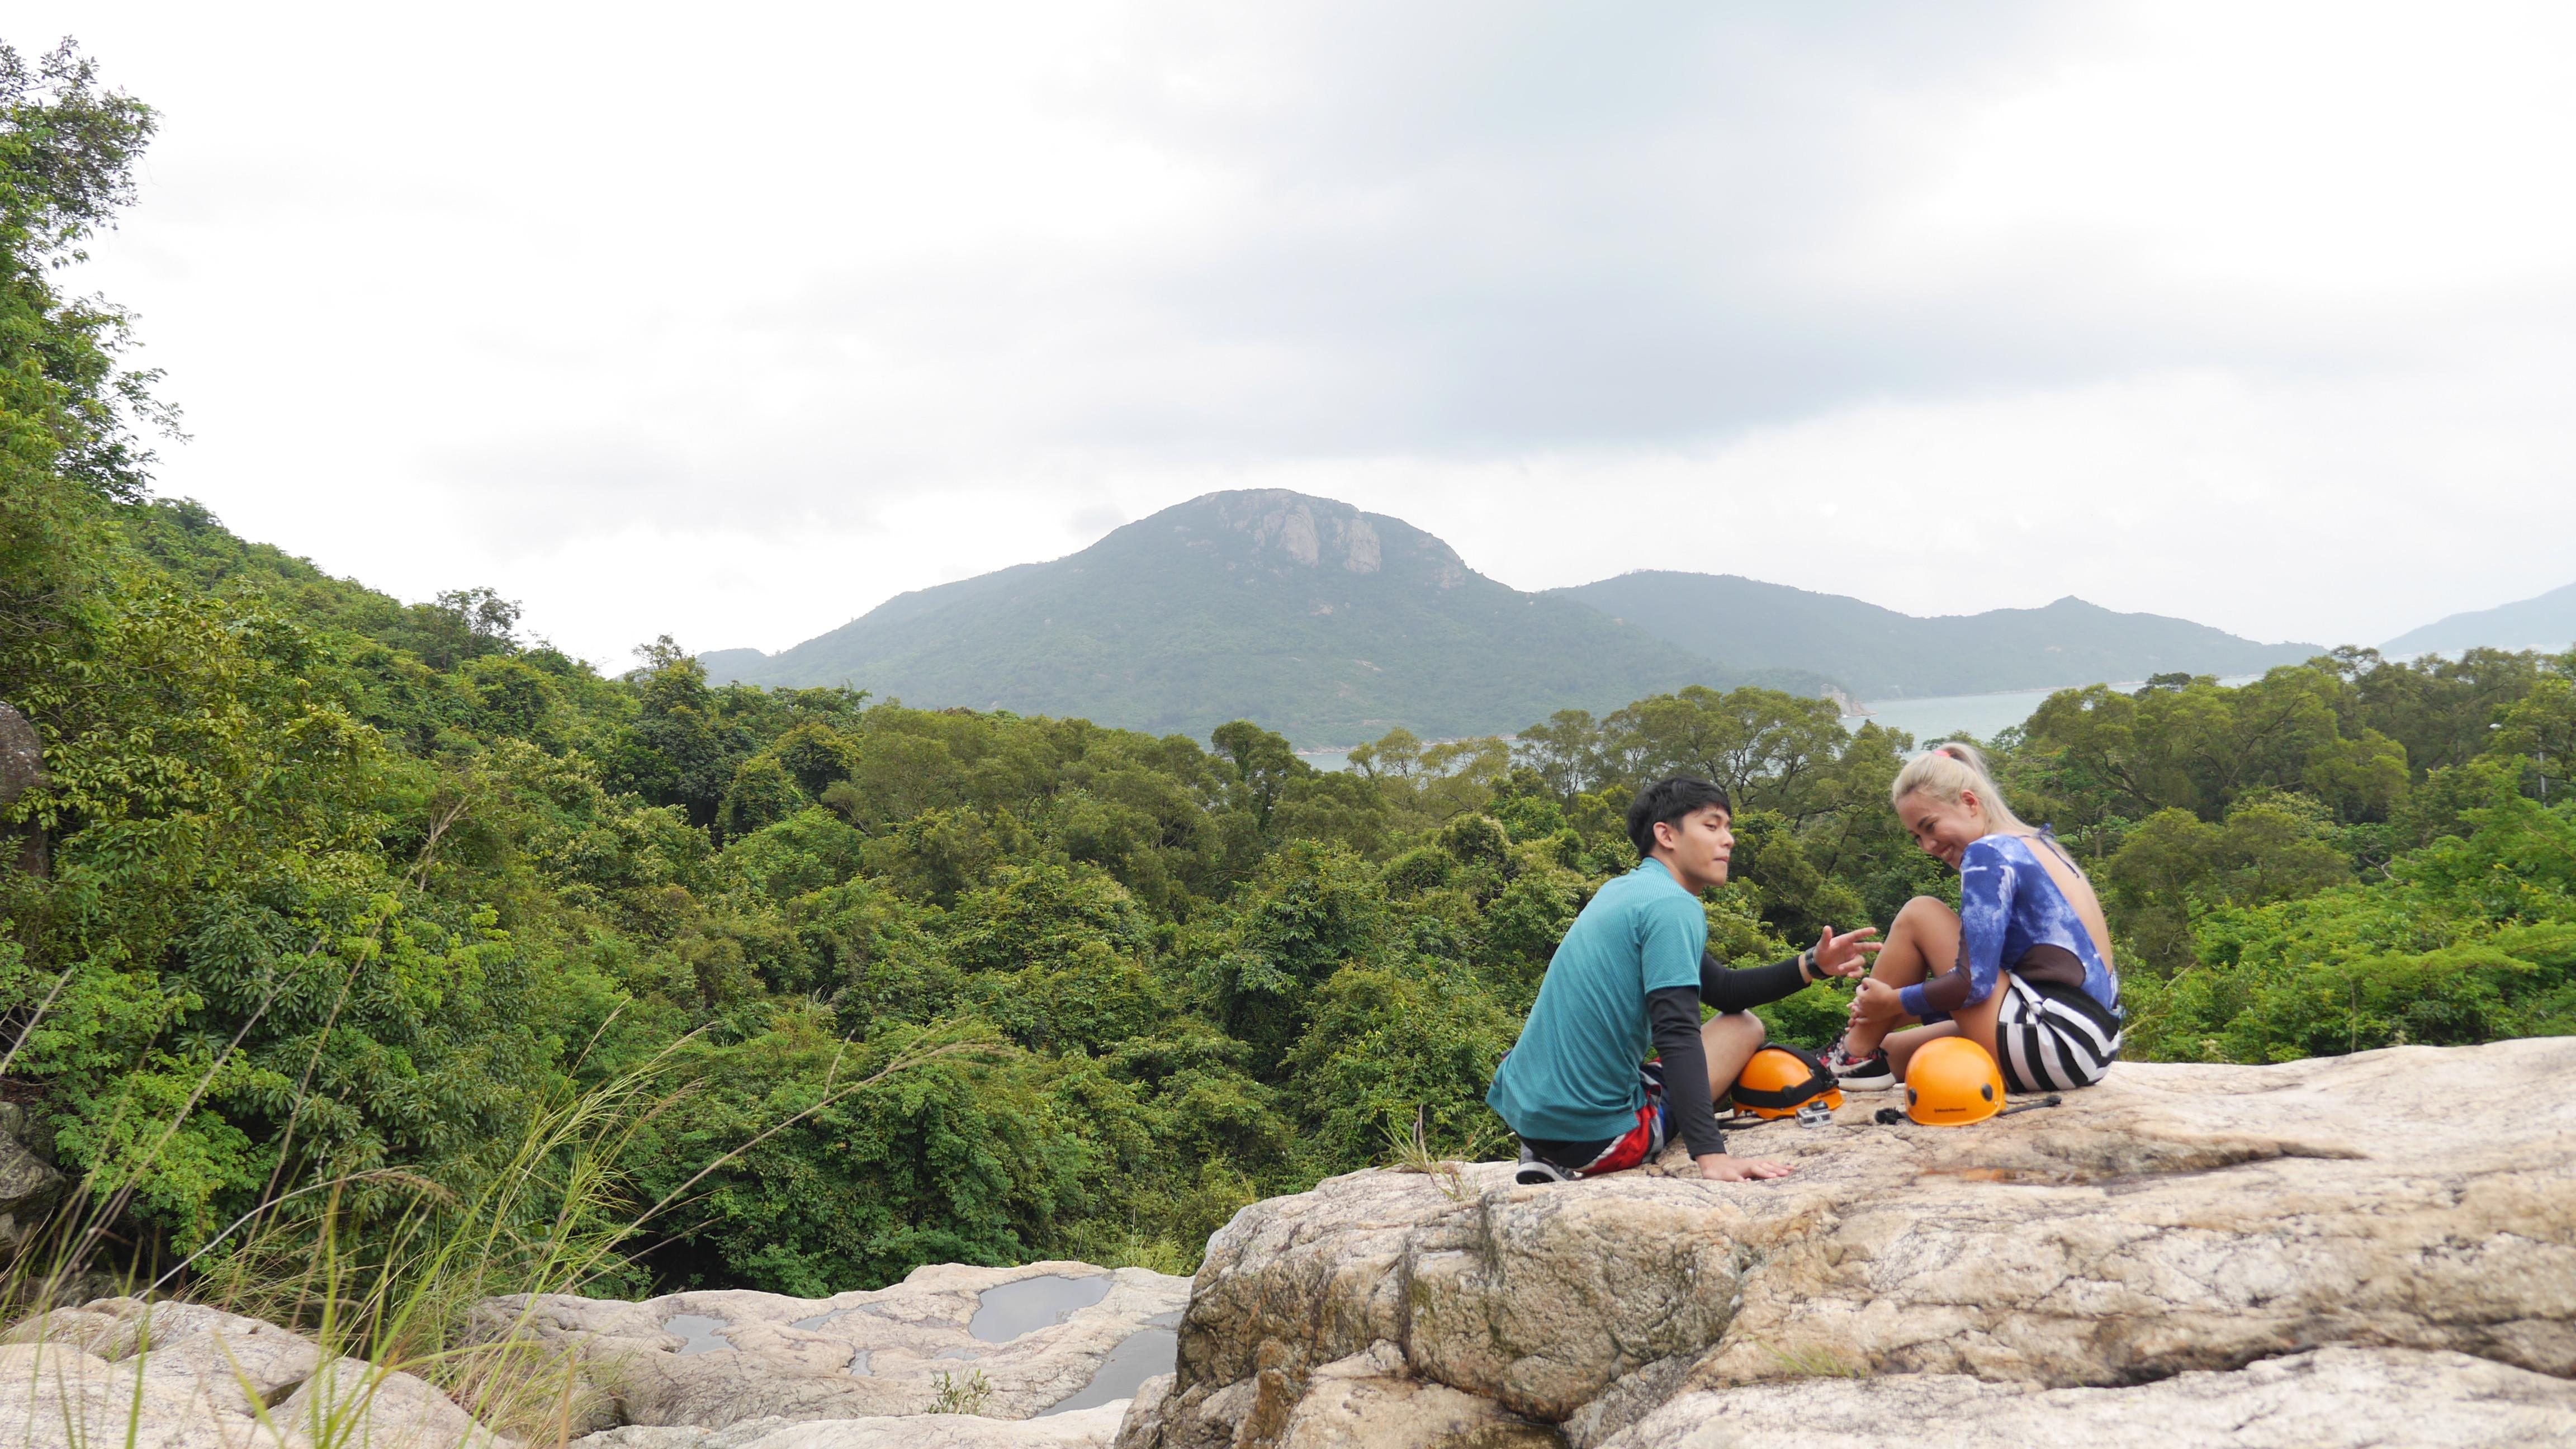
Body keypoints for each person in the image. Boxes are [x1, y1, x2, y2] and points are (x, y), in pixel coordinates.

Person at [1488, 777, 1880, 1186]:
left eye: (1728, 827)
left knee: (1721, 1027)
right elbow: (1676, 1031)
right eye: (1711, 826)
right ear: (1666, 834)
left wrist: (1813, 964)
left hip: (1528, 1107)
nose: (1727, 840)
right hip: (1600, 1138)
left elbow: (1722, 990)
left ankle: (1545, 1151)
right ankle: (1575, 1154)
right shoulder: (1672, 906)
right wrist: (1711, 1155)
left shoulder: (1625, 890)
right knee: (1745, 1027)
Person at [1824, 742, 2123, 1093]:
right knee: (1891, 1053)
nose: (1927, 846)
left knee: (1919, 913)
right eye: (1917, 837)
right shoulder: (2040, 844)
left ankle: (1851, 1055)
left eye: (1930, 826)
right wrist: (1885, 1011)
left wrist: (1889, 1003)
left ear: (1969, 802)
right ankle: (1866, 1054)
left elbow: (1973, 985)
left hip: (2052, 1045)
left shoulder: (1988, 853)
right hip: (2090, 1049)